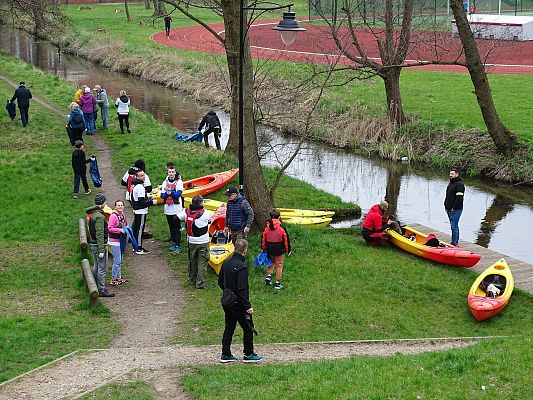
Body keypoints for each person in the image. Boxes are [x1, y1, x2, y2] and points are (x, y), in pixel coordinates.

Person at [218, 239, 263, 363]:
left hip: (227, 300)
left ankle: (225, 353)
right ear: (245, 250)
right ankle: (248, 353)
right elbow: (243, 289)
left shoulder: (226, 263)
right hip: (238, 303)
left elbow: (220, 281)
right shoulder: (242, 267)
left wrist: (228, 292)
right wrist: (247, 306)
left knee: (229, 326)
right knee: (248, 327)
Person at [177, 195, 211, 289]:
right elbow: (209, 222)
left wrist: (179, 228)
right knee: (202, 262)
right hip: (203, 241)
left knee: (192, 261)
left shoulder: (186, 212)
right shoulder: (206, 213)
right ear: (201, 203)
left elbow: (176, 218)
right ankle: (200, 283)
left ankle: (192, 281)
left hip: (191, 241)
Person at [86, 194, 115, 297]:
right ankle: (101, 289)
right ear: (102, 203)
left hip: (93, 244)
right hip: (99, 245)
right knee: (102, 268)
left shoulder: (91, 213)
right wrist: (102, 249)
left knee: (97, 266)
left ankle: (93, 285)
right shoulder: (99, 216)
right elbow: (99, 233)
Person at [262, 209, 291, 290]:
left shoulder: (267, 227)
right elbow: (286, 239)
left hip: (269, 248)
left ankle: (269, 276)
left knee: (271, 262)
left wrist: (264, 248)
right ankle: (277, 283)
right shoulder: (282, 227)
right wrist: (288, 249)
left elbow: (263, 238)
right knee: (279, 265)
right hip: (279, 249)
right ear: (279, 217)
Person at [131, 169, 158, 254]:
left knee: (136, 228)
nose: (144, 177)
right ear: (137, 177)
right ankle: (139, 248)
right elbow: (141, 201)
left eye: (144, 175)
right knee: (140, 229)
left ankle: (135, 246)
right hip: (141, 211)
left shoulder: (136, 185)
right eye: (141, 175)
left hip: (137, 210)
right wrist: (152, 202)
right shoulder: (140, 187)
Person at [160, 166, 184, 253]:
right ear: (168, 173)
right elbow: (162, 196)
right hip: (168, 208)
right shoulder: (164, 182)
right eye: (169, 172)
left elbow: (178, 195)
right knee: (171, 227)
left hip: (177, 209)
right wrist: (169, 192)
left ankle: (178, 245)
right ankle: (174, 242)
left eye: (172, 172)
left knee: (176, 227)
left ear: (175, 173)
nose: (171, 174)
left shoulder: (179, 182)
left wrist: (170, 191)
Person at [108, 200, 128, 286]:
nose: (120, 207)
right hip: (114, 241)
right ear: (115, 206)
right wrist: (120, 230)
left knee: (121, 260)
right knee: (117, 260)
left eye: (121, 205)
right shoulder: (113, 216)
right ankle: (113, 278)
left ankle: (119, 277)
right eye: (118, 205)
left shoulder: (122, 215)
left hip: (121, 240)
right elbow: (110, 228)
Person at [444, 168, 465, 246]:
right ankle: (455, 241)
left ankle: (454, 243)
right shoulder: (451, 183)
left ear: (457, 174)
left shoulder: (459, 184)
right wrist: (446, 206)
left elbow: (459, 198)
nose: (450, 175)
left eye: (452, 174)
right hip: (449, 209)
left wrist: (454, 208)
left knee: (454, 226)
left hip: (456, 209)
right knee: (453, 226)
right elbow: (448, 196)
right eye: (450, 174)